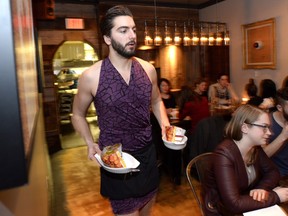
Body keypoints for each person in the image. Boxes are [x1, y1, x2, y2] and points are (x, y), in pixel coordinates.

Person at [71, 5, 170, 216]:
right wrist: (89, 142)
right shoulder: (91, 76)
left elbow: (156, 102)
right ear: (107, 38)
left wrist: (166, 126)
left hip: (147, 155)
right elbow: (77, 115)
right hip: (116, 161)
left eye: (133, 29)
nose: (132, 35)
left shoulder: (148, 69)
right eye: (123, 30)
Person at [203, 104, 288, 215]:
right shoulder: (223, 154)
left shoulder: (254, 148)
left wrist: (260, 190)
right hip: (221, 210)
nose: (269, 132)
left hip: (245, 201)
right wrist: (275, 196)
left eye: (268, 127)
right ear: (244, 128)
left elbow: (273, 172)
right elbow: (233, 204)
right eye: (264, 127)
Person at [263, 87, 288, 176]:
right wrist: (283, 136)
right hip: (277, 177)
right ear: (279, 107)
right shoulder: (266, 123)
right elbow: (261, 157)